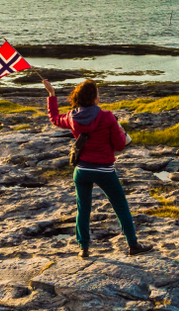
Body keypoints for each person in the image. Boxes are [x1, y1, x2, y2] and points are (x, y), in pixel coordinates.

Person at [43, 78, 153, 259]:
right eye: (98, 94)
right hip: (104, 171)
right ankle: (133, 245)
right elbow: (119, 145)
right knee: (121, 207)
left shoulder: (72, 116)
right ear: (94, 98)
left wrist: (51, 95)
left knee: (83, 208)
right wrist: (121, 130)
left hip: (82, 170)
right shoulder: (107, 116)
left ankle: (83, 248)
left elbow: (55, 119)